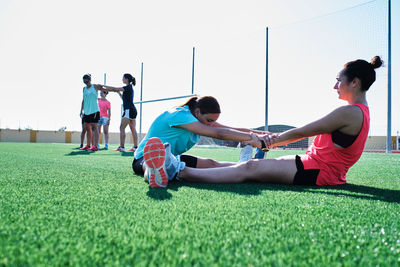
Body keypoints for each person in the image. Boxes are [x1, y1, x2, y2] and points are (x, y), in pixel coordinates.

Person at [144, 56, 383, 187]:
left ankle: (177, 172)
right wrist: (258, 138)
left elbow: (306, 130)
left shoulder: (350, 112)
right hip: (314, 164)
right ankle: (172, 166)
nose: (334, 85)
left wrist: (266, 142)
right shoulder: (357, 111)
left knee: (250, 169)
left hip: (321, 172)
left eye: (338, 80)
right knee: (230, 166)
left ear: (354, 82)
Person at [132, 96, 270, 187]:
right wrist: (254, 140)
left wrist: (264, 135)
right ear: (197, 112)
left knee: (211, 163)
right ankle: (152, 170)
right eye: (209, 121)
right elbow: (220, 133)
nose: (211, 124)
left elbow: (229, 129)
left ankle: (249, 165)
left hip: (172, 158)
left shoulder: (199, 118)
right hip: (142, 158)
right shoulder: (180, 115)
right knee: (149, 164)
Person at [97, 74, 138, 152]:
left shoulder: (127, 87)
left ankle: (122, 147)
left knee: (122, 128)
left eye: (123, 78)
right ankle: (135, 147)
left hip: (129, 110)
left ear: (126, 79)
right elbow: (124, 99)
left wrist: (102, 88)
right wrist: (119, 93)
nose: (122, 79)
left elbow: (114, 89)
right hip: (133, 110)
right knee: (133, 128)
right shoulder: (129, 88)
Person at [79, 74, 100, 151]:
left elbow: (104, 89)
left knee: (94, 127)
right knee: (88, 128)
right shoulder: (84, 89)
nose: (84, 81)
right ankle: (88, 145)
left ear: (89, 79)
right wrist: (81, 110)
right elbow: (83, 100)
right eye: (83, 79)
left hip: (94, 110)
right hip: (87, 112)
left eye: (86, 79)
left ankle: (95, 146)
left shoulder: (95, 87)